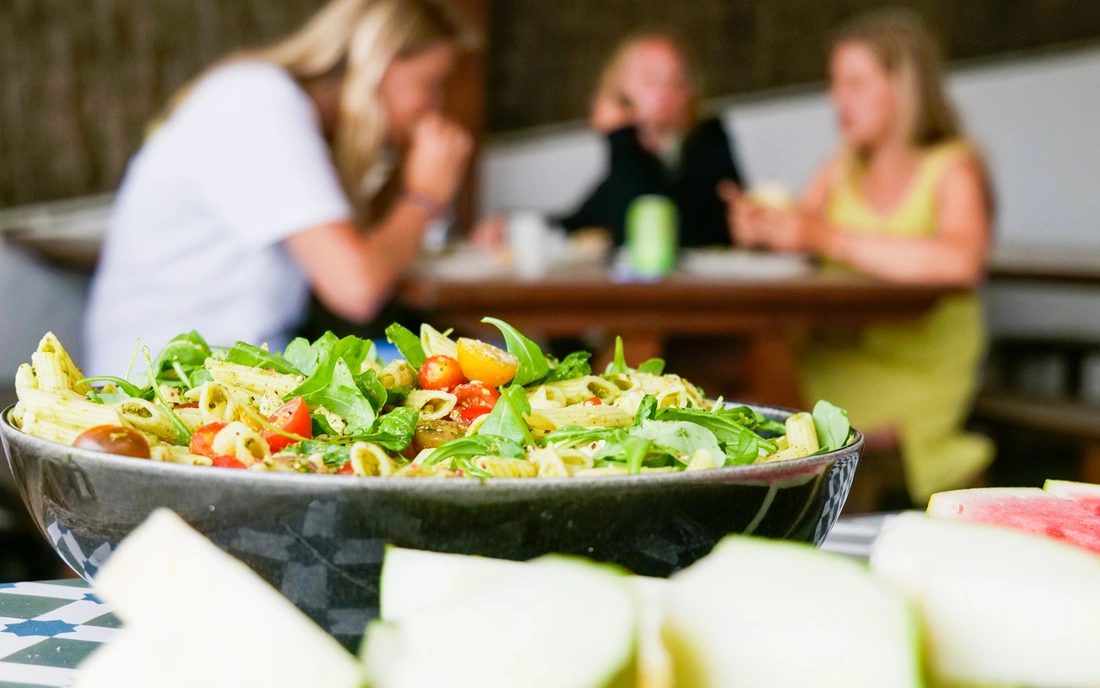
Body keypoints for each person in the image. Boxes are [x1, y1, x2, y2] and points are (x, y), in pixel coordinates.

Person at [84, 0, 474, 374]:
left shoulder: (287, 112)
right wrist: (425, 197)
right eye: (431, 84)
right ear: (380, 63)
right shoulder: (260, 105)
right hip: (160, 384)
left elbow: (362, 259)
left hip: (224, 368)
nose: (434, 107)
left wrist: (410, 181)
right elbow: (357, 288)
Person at [724, 9, 994, 504]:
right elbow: (802, 235)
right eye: (835, 83)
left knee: (766, 386)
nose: (838, 99)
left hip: (919, 368)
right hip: (839, 351)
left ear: (902, 86)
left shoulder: (953, 166)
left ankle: (798, 517)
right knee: (747, 368)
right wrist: (763, 229)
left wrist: (826, 237)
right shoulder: (842, 167)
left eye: (855, 82)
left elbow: (961, 262)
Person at [477, 32, 745, 249]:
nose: (665, 92)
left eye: (676, 81)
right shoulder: (633, 154)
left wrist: (620, 136)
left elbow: (652, 224)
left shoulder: (710, 141)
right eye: (651, 79)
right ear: (617, 90)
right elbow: (591, 221)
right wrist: (517, 228)